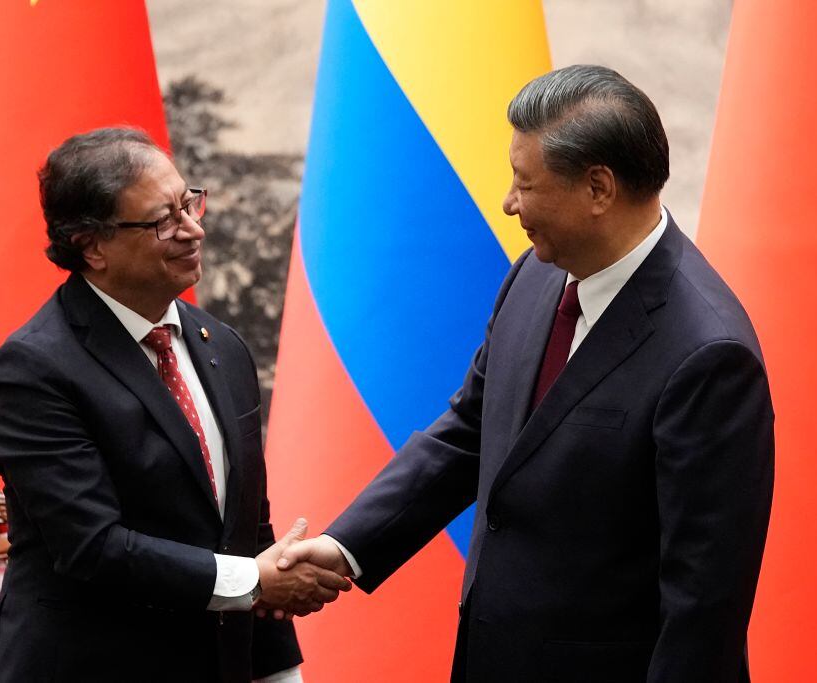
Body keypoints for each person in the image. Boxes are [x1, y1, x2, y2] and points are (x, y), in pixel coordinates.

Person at [278, 65, 774, 682]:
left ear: (598, 188)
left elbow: (703, 602)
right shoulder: (535, 275)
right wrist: (345, 547)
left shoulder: (708, 354)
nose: (509, 204)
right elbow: (471, 431)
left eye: (524, 184)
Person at [0, 127, 349, 683]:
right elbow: (92, 547)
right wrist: (250, 582)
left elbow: (247, 530)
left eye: (189, 203)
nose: (193, 229)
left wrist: (278, 670)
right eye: (162, 221)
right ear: (91, 245)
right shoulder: (33, 368)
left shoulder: (220, 345)